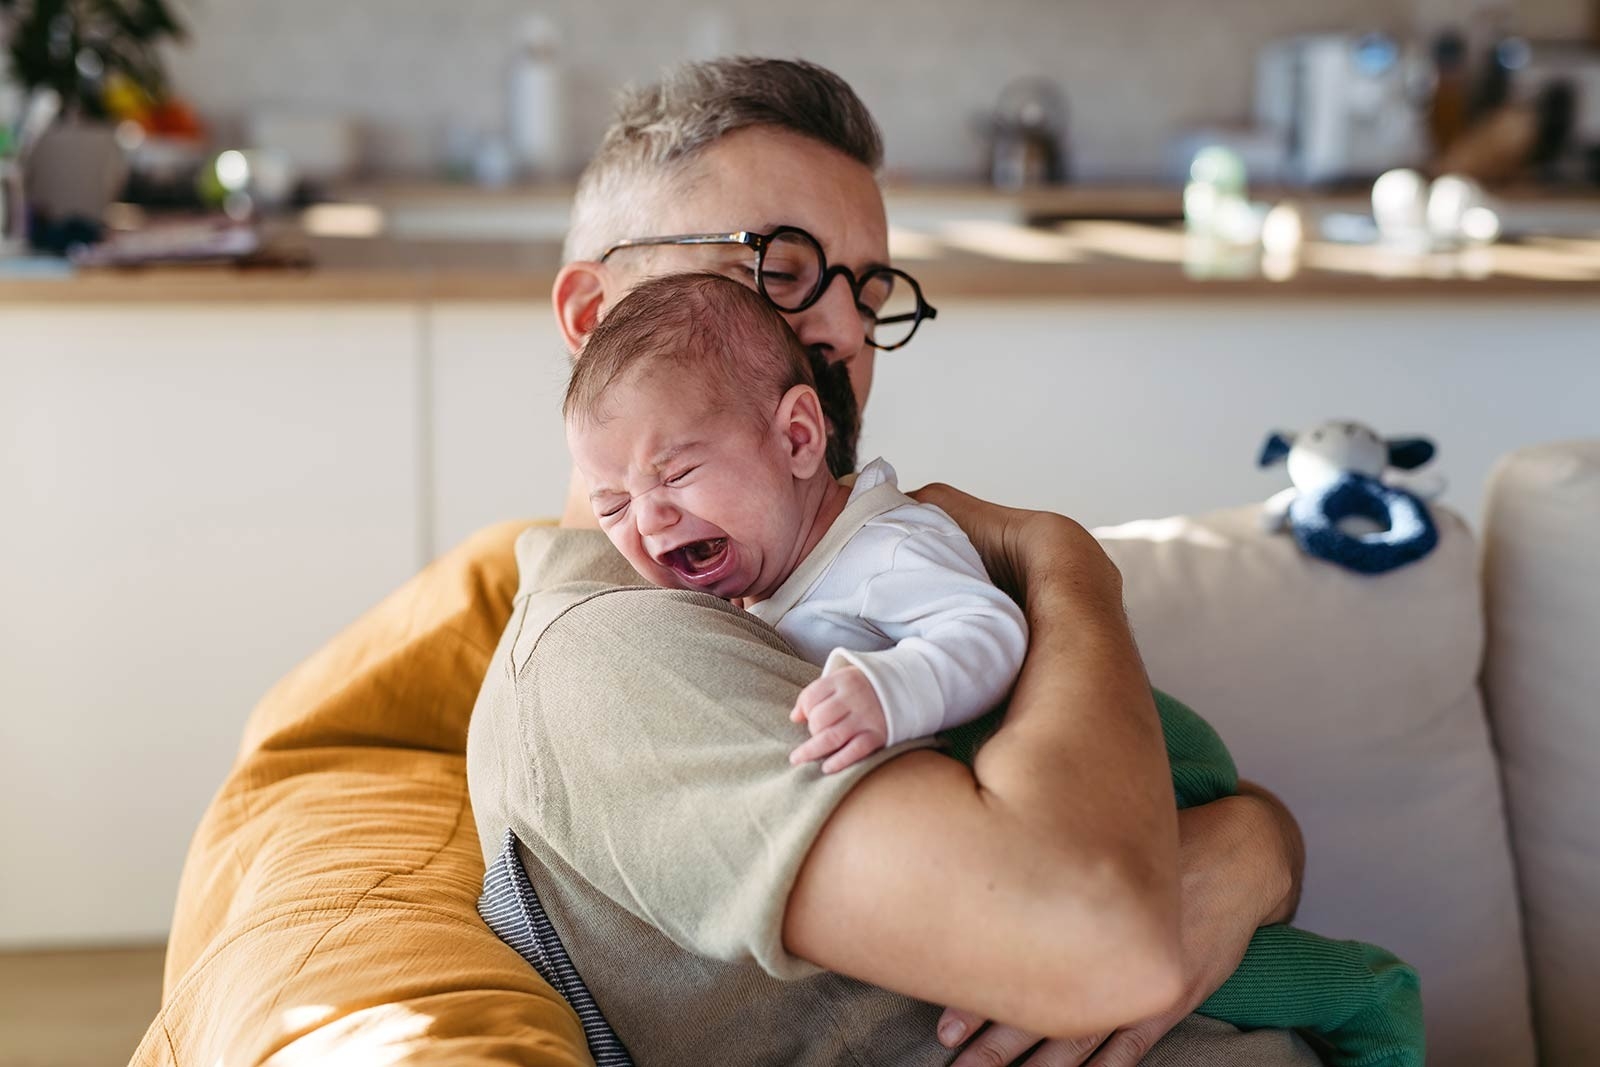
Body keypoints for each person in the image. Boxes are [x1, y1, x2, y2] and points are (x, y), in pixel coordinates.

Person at [468, 57, 1321, 1066]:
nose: (839, 328)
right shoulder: (608, 657)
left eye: (868, 294)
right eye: (779, 267)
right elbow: (1106, 943)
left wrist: (1253, 843)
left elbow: (1149, 806)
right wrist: (1065, 563)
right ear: (589, 313)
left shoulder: (806, 581)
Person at [559, 269, 1425, 1065]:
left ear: (796, 436)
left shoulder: (879, 546)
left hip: (1156, 769)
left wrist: (890, 688)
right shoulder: (648, 637)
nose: (649, 519)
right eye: (614, 505)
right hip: (1072, 823)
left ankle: (1376, 998)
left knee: (1262, 974)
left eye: (676, 473)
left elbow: (985, 633)